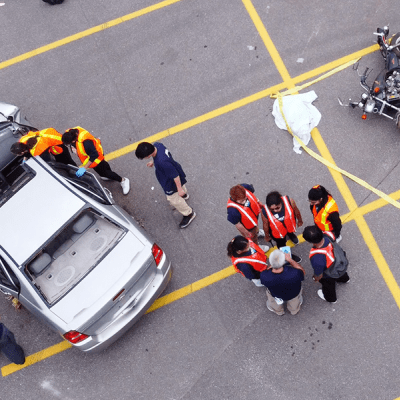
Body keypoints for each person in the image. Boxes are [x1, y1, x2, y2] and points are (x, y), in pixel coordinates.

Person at [135, 141, 195, 229]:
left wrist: (179, 189)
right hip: (174, 168)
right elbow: (161, 158)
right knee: (181, 186)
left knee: (173, 199)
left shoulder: (162, 163)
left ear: (148, 155)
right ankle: (184, 194)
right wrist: (154, 161)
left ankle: (189, 213)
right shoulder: (157, 145)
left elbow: (175, 176)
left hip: (170, 181)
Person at [62, 127, 130, 195]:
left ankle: (123, 180)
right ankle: (107, 175)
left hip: (97, 158)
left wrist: (84, 168)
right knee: (103, 169)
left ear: (73, 140)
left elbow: (94, 155)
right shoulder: (72, 132)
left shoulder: (86, 143)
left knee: (105, 172)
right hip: (93, 159)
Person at [303, 225, 350, 303]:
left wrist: (315, 278)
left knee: (328, 286)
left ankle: (331, 299)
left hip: (330, 274)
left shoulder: (317, 257)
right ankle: (345, 279)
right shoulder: (329, 234)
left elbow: (319, 274)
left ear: (310, 242)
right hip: (340, 262)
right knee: (341, 272)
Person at [260, 249, 305, 316]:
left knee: (273, 300)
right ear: (283, 262)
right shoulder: (295, 273)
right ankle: (294, 310)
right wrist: (290, 260)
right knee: (294, 301)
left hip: (276, 294)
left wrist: (273, 265)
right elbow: (302, 272)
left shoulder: (264, 275)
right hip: (293, 293)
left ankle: (279, 311)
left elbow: (264, 281)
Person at [10, 128, 76, 166]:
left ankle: (76, 171)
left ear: (22, 152)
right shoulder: (22, 140)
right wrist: (25, 159)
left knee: (66, 162)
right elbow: (26, 151)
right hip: (50, 135)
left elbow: (48, 162)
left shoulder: (38, 150)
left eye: (18, 154)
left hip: (58, 146)